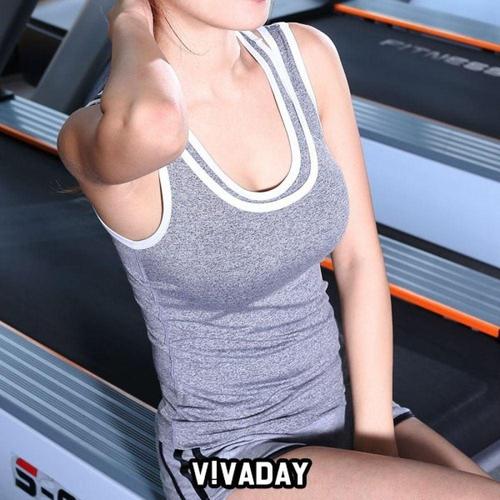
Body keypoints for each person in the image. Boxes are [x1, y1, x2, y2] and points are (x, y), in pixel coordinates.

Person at [57, 1, 499, 498]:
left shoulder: (306, 57)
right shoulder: (93, 137)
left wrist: (375, 443)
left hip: (345, 405)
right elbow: (156, 122)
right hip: (230, 459)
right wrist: (127, 18)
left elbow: (359, 260)